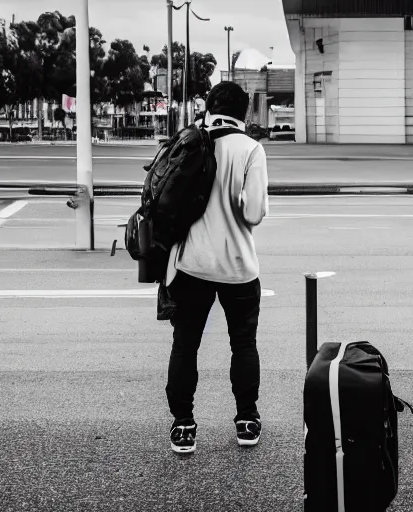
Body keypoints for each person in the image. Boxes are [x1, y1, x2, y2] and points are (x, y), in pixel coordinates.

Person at [164, 81, 269, 454]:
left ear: (208, 108)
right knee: (243, 344)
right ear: (246, 114)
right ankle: (246, 420)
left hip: (191, 266)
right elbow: (254, 212)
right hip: (239, 268)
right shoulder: (251, 150)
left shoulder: (189, 142)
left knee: (185, 346)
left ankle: (183, 425)